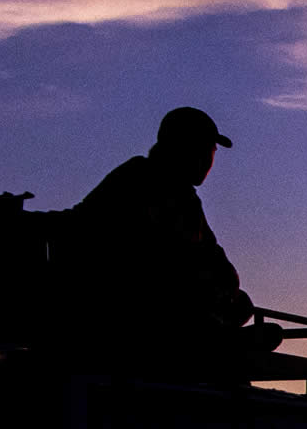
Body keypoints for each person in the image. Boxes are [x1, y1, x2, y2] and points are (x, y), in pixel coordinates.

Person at [72, 106, 280, 365]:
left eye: (211, 153)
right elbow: (90, 226)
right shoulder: (139, 178)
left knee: (240, 304)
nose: (208, 161)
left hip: (178, 304)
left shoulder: (185, 197)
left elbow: (214, 257)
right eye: (205, 150)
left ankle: (216, 336)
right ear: (183, 148)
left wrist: (224, 287)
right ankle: (212, 340)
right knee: (182, 297)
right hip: (140, 305)